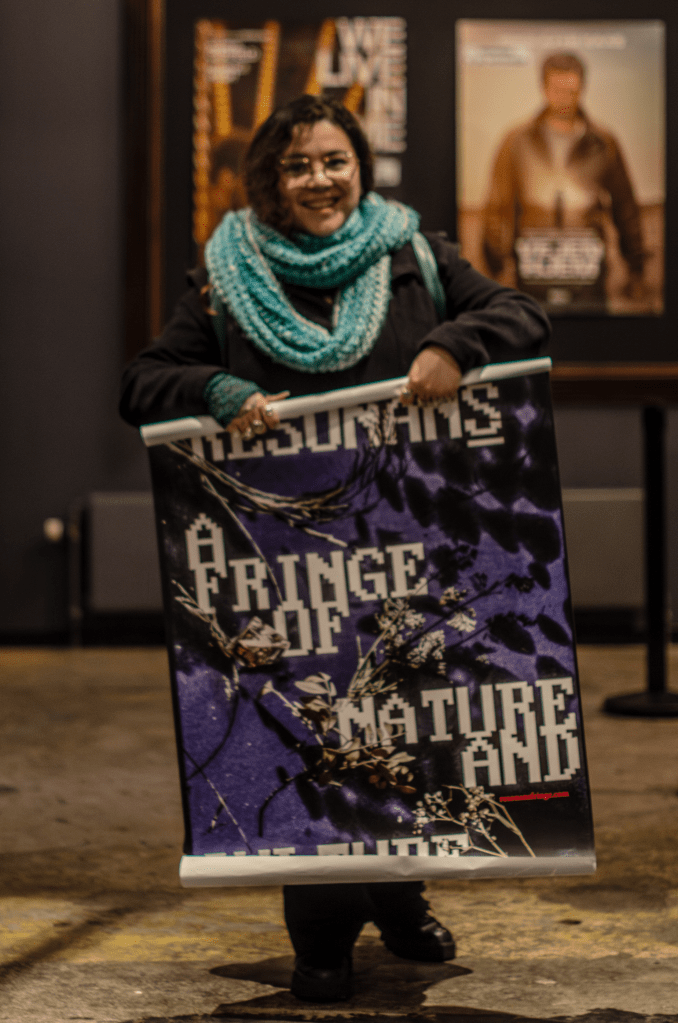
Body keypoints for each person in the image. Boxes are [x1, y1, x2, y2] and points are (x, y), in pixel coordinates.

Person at [120, 94, 550, 1003]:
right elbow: (143, 382)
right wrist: (217, 387)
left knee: (406, 732)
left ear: (360, 166)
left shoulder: (415, 255)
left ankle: (399, 898)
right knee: (316, 737)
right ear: (271, 180)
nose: (319, 179)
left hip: (407, 552)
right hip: (291, 564)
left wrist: (455, 342)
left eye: (334, 160)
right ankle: (321, 936)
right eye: (298, 165)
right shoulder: (225, 274)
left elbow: (521, 315)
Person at [482, 52, 646, 311]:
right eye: (557, 90)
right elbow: (498, 206)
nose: (564, 99)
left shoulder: (604, 143)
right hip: (532, 272)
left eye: (572, 91)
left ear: (582, 88)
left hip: (588, 276)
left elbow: (625, 206)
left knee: (590, 334)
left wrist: (636, 266)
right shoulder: (516, 142)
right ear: (544, 88)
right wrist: (496, 266)